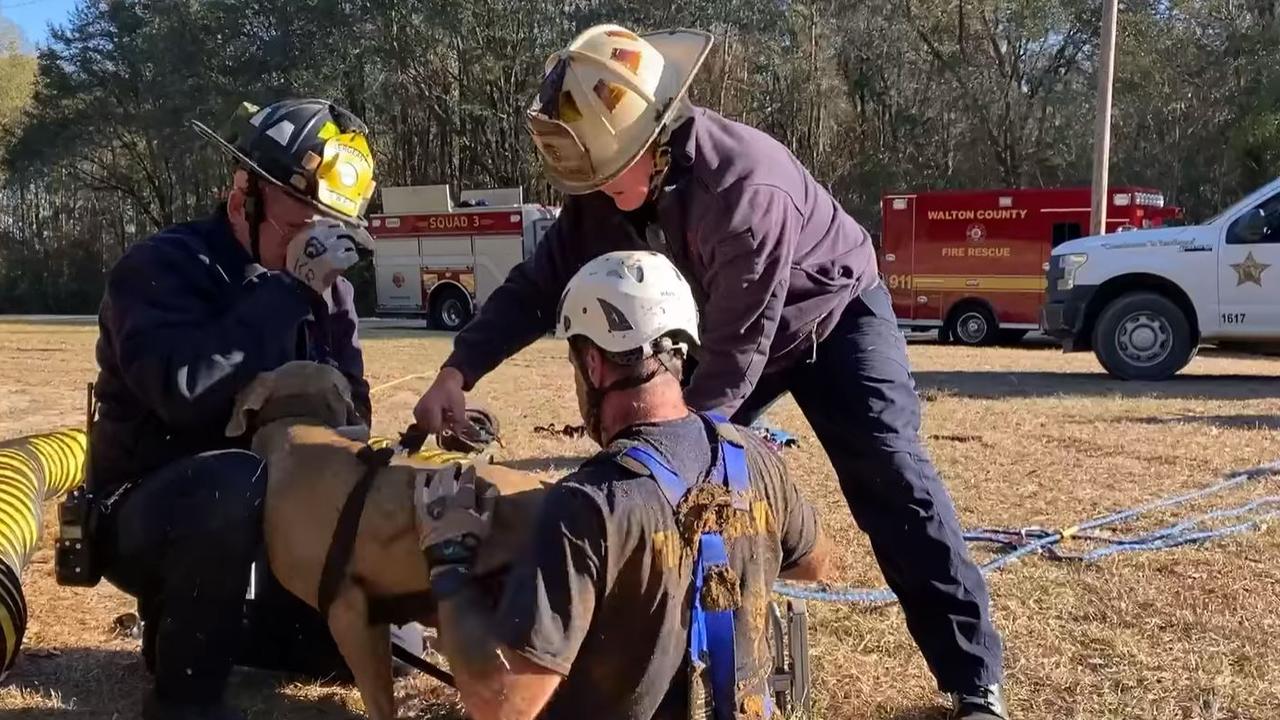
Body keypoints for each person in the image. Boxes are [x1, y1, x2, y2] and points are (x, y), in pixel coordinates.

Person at [415, 24, 1008, 720]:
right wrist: (459, 370)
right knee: (639, 482)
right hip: (718, 327)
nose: (596, 193)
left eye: (606, 177)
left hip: (832, 318)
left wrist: (677, 457)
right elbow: (538, 285)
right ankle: (632, 656)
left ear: (656, 141)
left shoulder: (746, 191)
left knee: (891, 474)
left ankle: (974, 681)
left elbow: (735, 355)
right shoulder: (608, 186)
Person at [418, 250, 830, 720]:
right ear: (678, 352)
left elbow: (502, 708)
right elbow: (815, 563)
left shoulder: (587, 505)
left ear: (593, 364)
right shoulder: (754, 458)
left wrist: (448, 564)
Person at [86, 98, 378, 720]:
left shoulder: (332, 294)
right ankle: (184, 696)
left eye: (333, 223)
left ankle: (225, 630)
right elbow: (184, 389)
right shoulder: (161, 268)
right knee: (229, 480)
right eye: (305, 213)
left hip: (276, 518)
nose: (318, 237)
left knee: (356, 645)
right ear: (244, 189)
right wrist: (286, 293)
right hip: (154, 510)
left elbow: (354, 410)